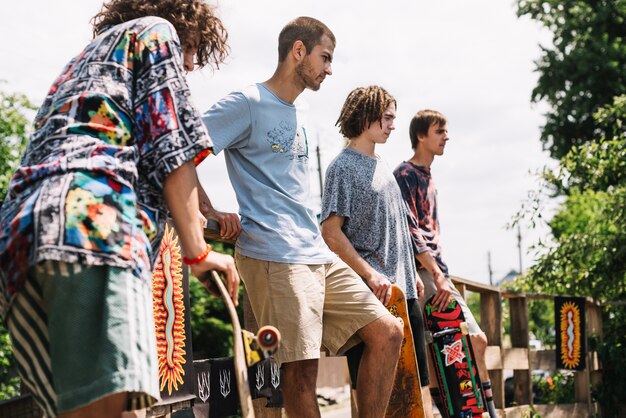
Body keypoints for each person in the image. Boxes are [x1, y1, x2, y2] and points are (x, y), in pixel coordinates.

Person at [0, 1, 239, 417]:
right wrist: (198, 251)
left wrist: (197, 209)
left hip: (20, 244)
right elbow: (169, 141)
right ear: (186, 29)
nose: (192, 64)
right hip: (92, 227)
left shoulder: (83, 65)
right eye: (194, 50)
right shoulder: (155, 30)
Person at [201, 17, 403, 418]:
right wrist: (208, 211)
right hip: (275, 253)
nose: (329, 69)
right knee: (301, 374)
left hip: (316, 253)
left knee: (388, 332)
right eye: (324, 58)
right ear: (298, 51)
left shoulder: (303, 111)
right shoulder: (247, 102)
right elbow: (182, 151)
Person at [319, 85, 434, 417]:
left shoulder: (382, 164)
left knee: (414, 392)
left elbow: (397, 228)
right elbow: (330, 232)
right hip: (374, 293)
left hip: (404, 290)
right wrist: (369, 275)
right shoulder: (343, 167)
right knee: (377, 397)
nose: (393, 125)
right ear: (365, 116)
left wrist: (412, 277)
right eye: (386, 118)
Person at [393, 109, 498, 418]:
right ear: (421, 136)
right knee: (435, 352)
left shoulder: (429, 176)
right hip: (423, 273)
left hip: (438, 271)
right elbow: (410, 232)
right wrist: (437, 275)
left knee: (475, 341)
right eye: (439, 131)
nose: (446, 136)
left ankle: (486, 412)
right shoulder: (405, 174)